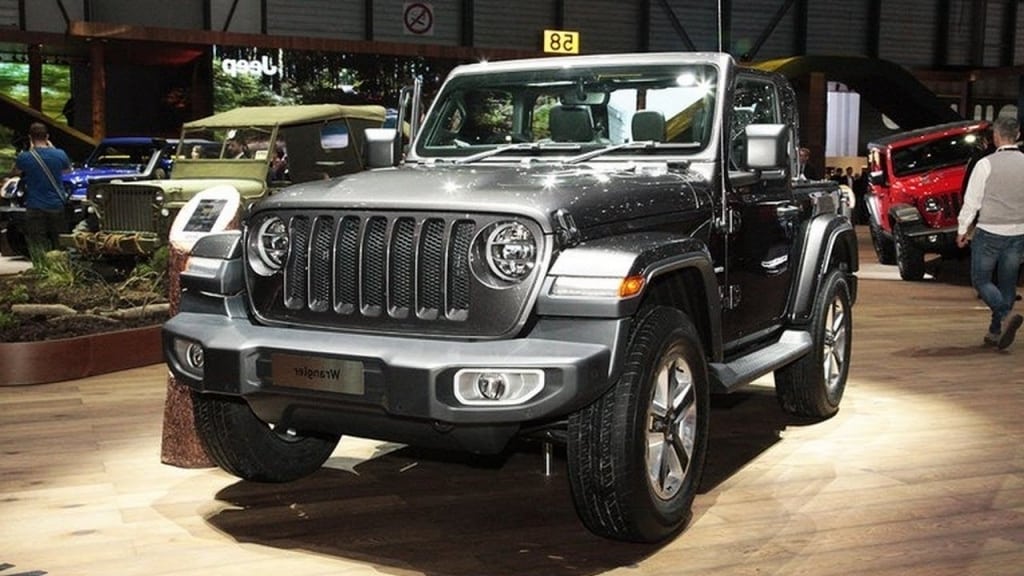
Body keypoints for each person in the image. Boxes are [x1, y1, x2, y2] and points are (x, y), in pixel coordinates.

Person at [955, 115, 1024, 350]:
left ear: (995, 137)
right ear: (1018, 136)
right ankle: (996, 332)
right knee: (1007, 283)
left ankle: (1003, 318)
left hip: (989, 231)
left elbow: (971, 201)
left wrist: (963, 229)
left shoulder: (985, 164)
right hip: (1018, 233)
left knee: (981, 280)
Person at [8, 122, 72, 259]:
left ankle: (41, 268)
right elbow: (68, 170)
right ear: (47, 136)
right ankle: (62, 269)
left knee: (37, 242)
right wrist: (53, 148)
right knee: (60, 241)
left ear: (30, 137)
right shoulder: (60, 154)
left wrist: (28, 151)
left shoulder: (25, 157)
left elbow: (15, 173)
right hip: (56, 204)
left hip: (35, 205)